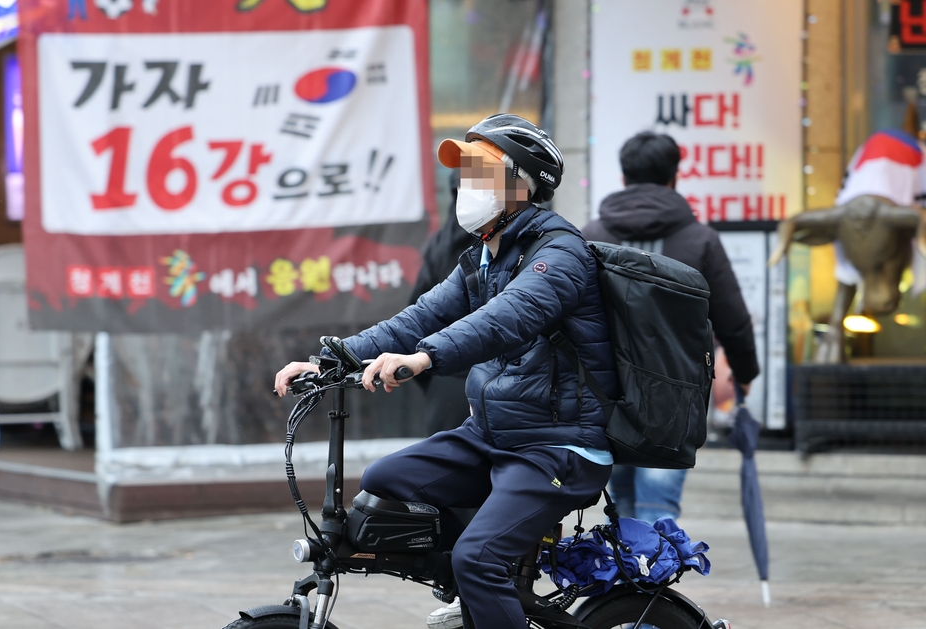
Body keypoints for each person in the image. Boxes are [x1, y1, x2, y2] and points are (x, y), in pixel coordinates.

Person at [275, 114, 618, 629]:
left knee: (477, 558)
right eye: (466, 172)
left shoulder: (561, 252)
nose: (467, 184)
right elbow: (418, 317)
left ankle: (483, 576)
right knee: (385, 480)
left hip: (558, 446)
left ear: (521, 186)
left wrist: (424, 358)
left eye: (481, 172)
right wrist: (331, 360)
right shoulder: (482, 255)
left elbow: (507, 317)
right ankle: (485, 597)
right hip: (492, 435)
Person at [581, 130, 759, 523]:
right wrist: (745, 375)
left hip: (605, 396)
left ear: (624, 178)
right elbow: (733, 319)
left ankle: (625, 581)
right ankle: (648, 580)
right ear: (673, 177)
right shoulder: (699, 239)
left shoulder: (591, 237)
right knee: (658, 510)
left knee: (621, 509)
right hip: (673, 403)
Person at [409, 169, 479, 435]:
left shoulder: (442, 242)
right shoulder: (505, 245)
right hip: (494, 387)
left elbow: (419, 315)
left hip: (446, 383)